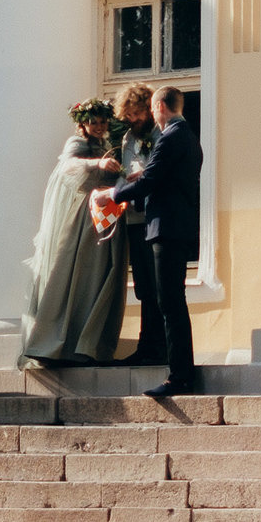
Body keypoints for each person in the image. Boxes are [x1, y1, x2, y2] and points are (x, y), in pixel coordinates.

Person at [105, 83, 201, 399]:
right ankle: (179, 373)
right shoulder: (186, 137)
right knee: (169, 300)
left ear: (157, 107)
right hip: (173, 225)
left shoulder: (172, 137)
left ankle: (179, 376)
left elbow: (150, 179)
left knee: (170, 303)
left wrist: (112, 194)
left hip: (167, 227)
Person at [20, 99, 129, 366]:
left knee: (105, 275)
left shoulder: (106, 144)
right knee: (81, 274)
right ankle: (65, 343)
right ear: (83, 124)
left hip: (108, 213)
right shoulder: (77, 144)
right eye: (94, 122)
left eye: (103, 122)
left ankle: (92, 343)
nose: (100, 127)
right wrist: (96, 166)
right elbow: (67, 167)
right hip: (87, 217)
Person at [109, 83, 165, 366]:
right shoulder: (129, 137)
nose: (132, 119)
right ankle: (146, 345)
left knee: (158, 285)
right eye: (128, 114)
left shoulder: (161, 133)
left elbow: (159, 171)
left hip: (154, 216)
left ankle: (159, 346)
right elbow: (126, 170)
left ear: (148, 108)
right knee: (143, 285)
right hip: (133, 216)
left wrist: (143, 176)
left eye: (136, 113)